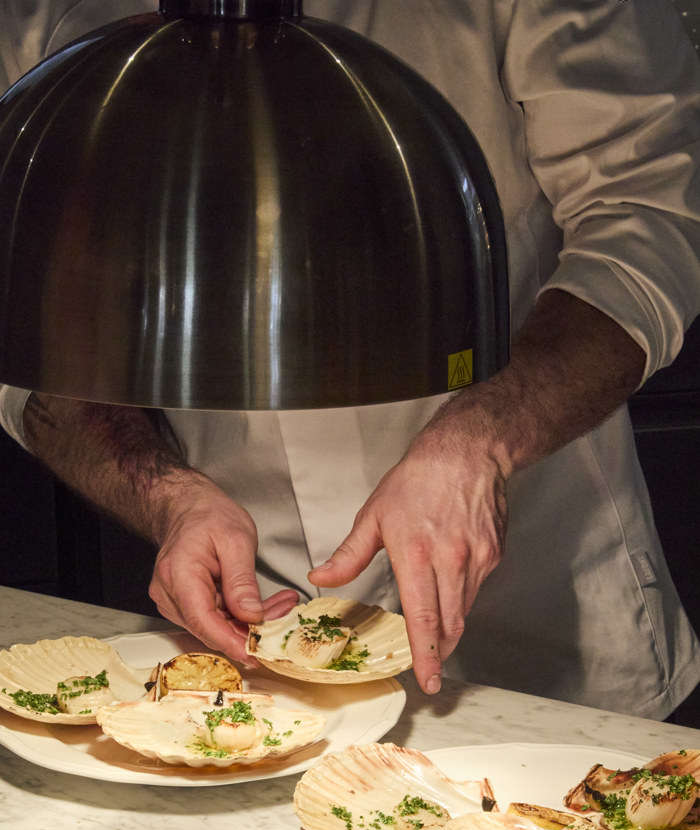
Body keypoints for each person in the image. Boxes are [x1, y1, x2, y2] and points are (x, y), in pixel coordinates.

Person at [2, 0, 700, 713]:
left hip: (545, 632)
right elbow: (22, 331)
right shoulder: (38, 17)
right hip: (258, 641)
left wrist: (478, 441)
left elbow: (652, 219)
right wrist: (166, 496)